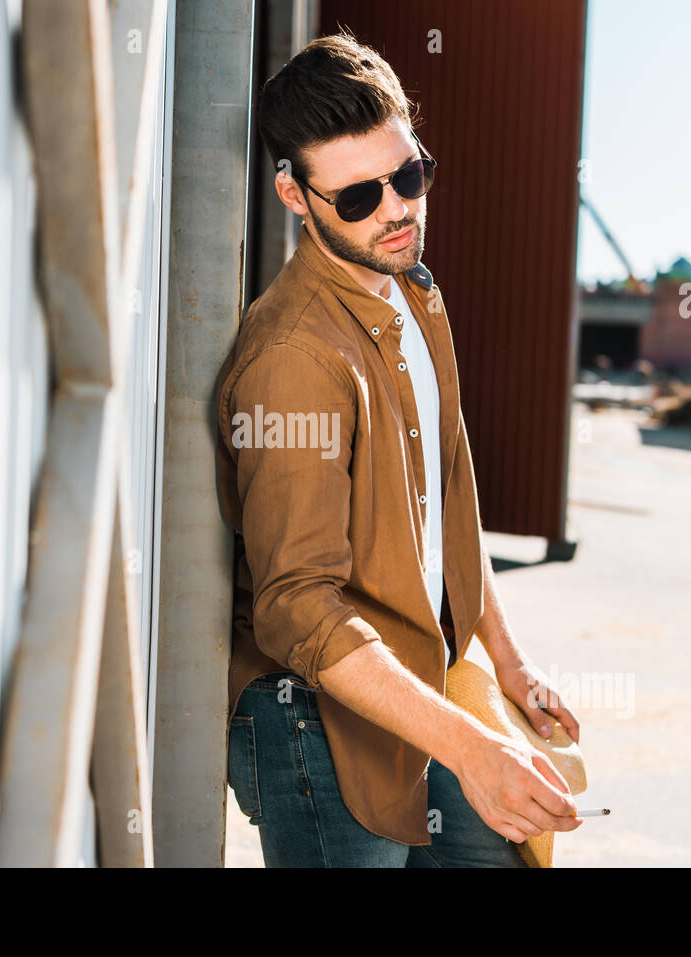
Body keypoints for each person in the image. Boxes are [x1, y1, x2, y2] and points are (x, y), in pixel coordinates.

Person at [213, 29, 583, 868]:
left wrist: (511, 664)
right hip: (311, 717)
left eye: (408, 176)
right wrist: (471, 747)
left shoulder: (413, 290)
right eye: (357, 198)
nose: (396, 210)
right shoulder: (293, 358)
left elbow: (450, 486)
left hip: (423, 685)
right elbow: (297, 606)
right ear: (294, 196)